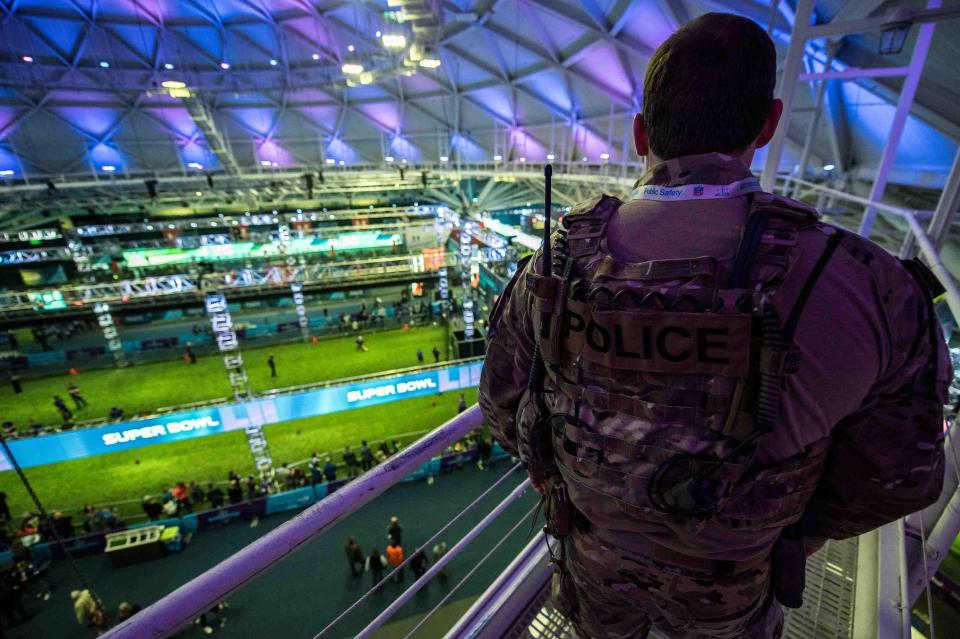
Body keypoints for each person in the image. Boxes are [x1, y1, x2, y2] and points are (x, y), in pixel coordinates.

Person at [478, 13, 950, 639]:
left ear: (643, 132)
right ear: (768, 123)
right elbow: (899, 475)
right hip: (732, 584)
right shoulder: (869, 283)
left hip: (589, 564)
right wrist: (787, 524)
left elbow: (503, 406)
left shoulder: (556, 261)